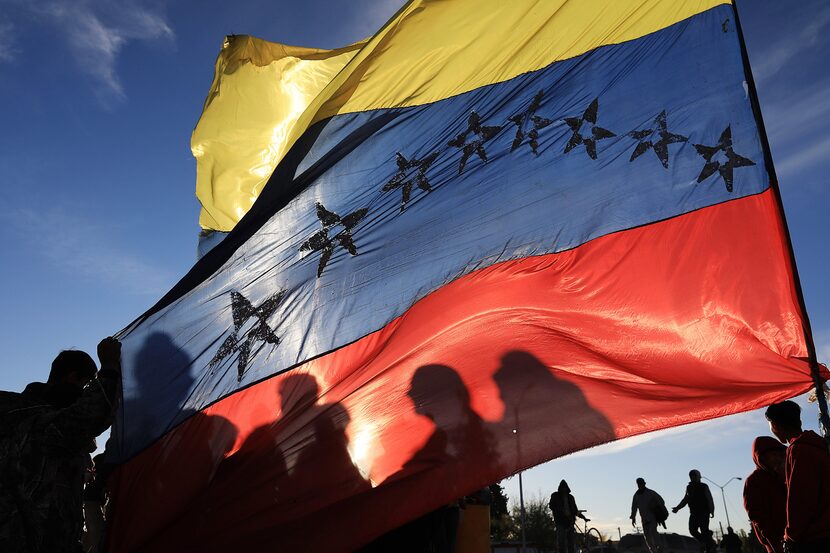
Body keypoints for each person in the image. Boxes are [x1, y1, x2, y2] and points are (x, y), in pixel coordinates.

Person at [0, 337, 121, 553]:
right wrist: (110, 369)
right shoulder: (30, 418)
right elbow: (88, 417)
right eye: (86, 385)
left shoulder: (22, 414)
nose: (86, 393)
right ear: (72, 378)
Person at [765, 401, 830, 552]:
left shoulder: (798, 450)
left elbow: (800, 498)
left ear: (775, 426)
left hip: (816, 538)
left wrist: (790, 536)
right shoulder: (820, 446)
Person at [743, 436, 787, 553]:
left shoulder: (785, 475)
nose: (777, 458)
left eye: (779, 454)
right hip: (777, 544)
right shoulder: (753, 481)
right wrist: (775, 545)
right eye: (772, 455)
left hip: (799, 537)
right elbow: (758, 518)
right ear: (761, 458)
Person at [672, 469, 715, 552]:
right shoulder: (689, 487)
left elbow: (709, 498)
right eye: (691, 477)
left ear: (698, 477)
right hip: (694, 512)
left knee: (704, 530)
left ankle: (708, 547)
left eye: (694, 476)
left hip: (704, 512)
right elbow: (685, 499)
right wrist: (677, 508)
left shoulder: (704, 486)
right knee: (692, 530)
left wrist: (712, 510)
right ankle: (706, 541)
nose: (693, 478)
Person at [549, 480, 588, 553]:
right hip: (560, 521)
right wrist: (560, 510)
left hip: (570, 521)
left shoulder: (571, 498)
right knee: (561, 541)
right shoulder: (555, 495)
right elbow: (551, 506)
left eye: (565, 487)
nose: (564, 489)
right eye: (563, 487)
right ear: (560, 488)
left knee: (571, 542)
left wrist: (583, 517)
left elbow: (575, 510)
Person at [631, 477, 667, 553]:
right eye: (639, 484)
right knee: (647, 537)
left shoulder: (651, 493)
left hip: (652, 517)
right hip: (644, 519)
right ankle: (653, 551)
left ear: (644, 483)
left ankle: (660, 548)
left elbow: (661, 501)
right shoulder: (636, 496)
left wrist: (655, 505)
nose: (640, 485)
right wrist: (633, 517)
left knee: (653, 531)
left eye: (641, 483)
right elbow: (634, 507)